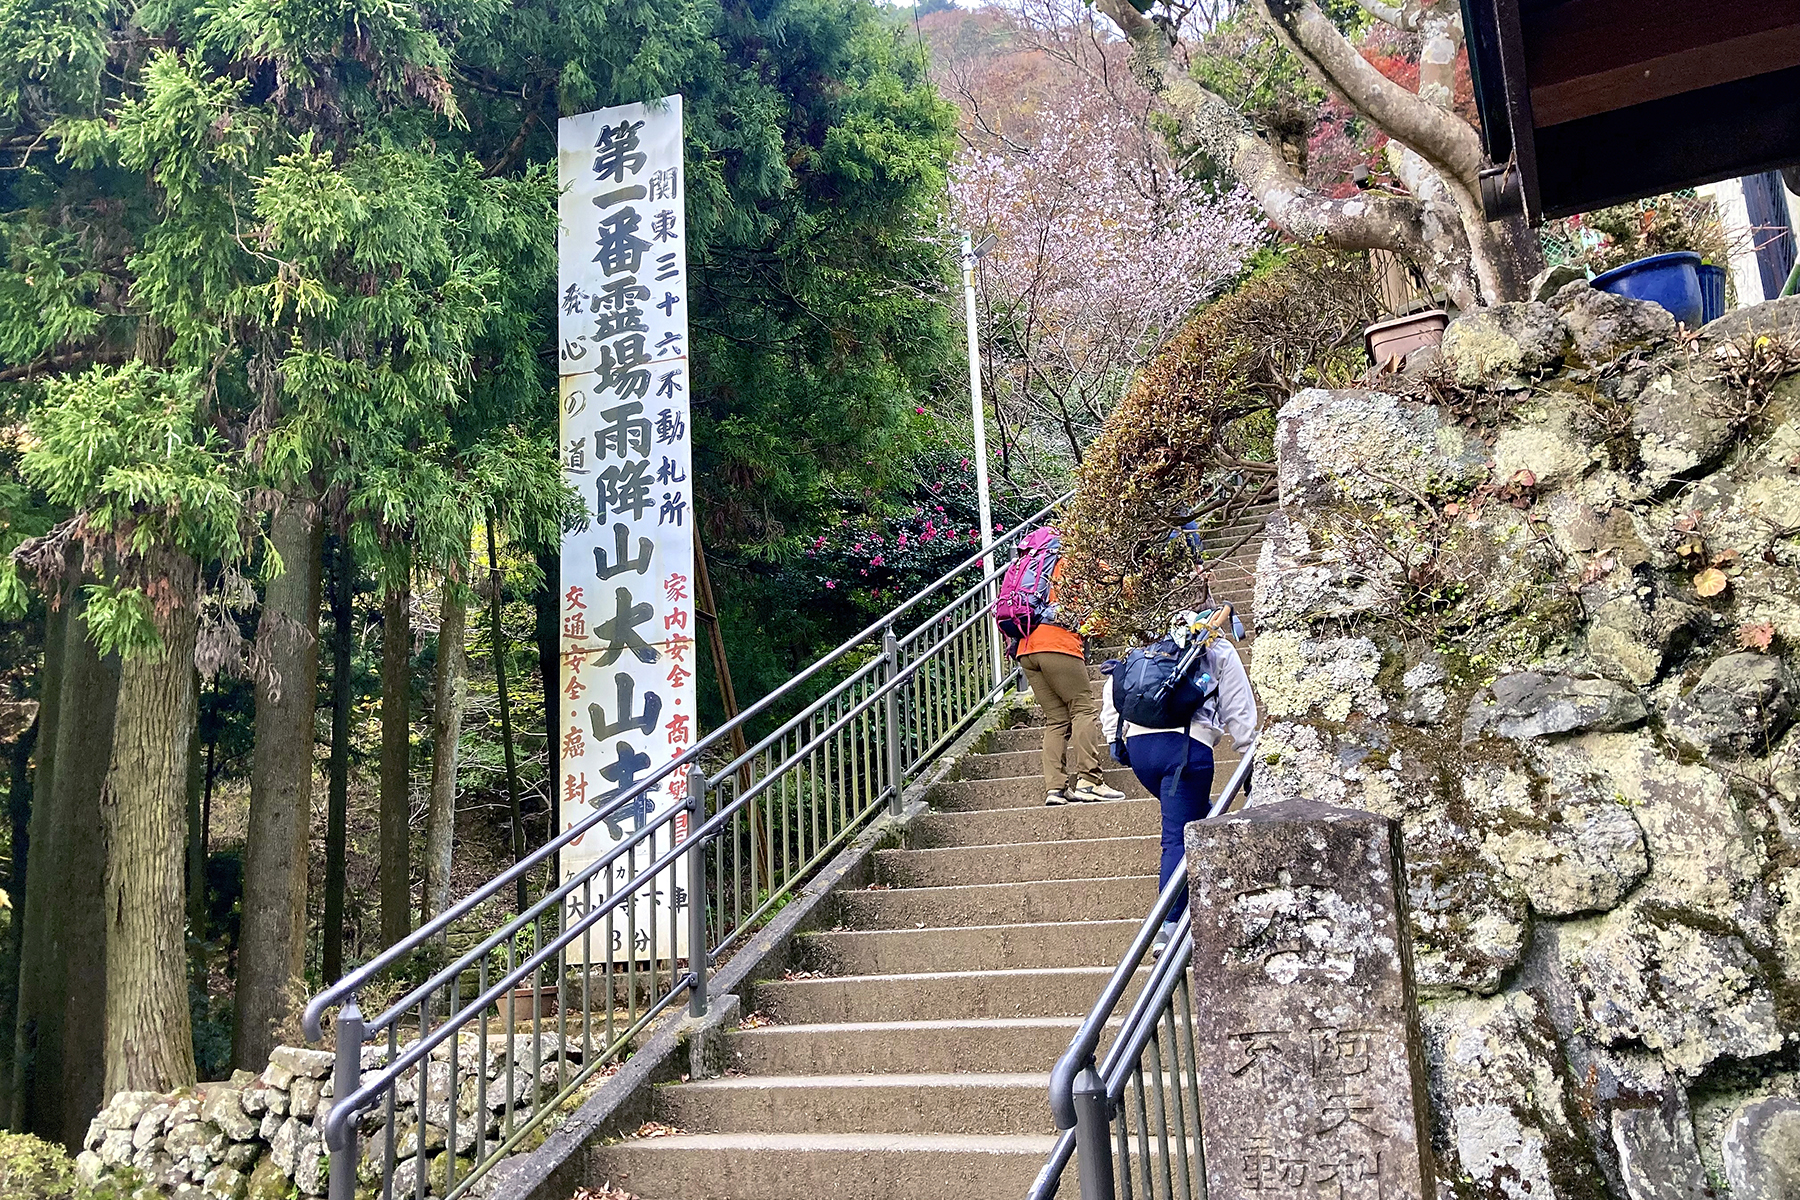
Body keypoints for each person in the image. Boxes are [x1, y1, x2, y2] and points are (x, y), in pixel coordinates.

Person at [1101, 608, 1256, 952]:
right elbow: (1237, 705)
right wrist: (1248, 750)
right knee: (1177, 837)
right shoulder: (1214, 645)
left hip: (1140, 750)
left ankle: (1200, 895)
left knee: (1195, 813)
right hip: (1186, 751)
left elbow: (1115, 687)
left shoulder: (1150, 642)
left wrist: (1115, 737)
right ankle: (1168, 927)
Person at [1015, 551, 1124, 807]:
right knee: (1083, 709)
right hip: (1058, 644)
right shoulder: (1080, 558)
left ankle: (1055, 788)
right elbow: (1115, 584)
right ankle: (1090, 780)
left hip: (1027, 649)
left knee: (1056, 720)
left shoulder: (1035, 566)